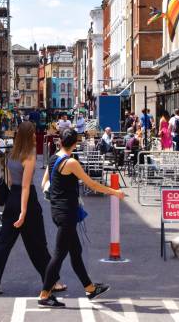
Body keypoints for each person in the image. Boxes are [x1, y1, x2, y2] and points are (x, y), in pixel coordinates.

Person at [38, 129, 125, 307]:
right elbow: (91, 184)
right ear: (75, 144)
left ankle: (90, 289)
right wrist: (114, 192)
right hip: (67, 213)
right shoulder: (71, 163)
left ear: (61, 141)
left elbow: (43, 183)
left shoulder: (54, 158)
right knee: (59, 254)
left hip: (57, 211)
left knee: (75, 252)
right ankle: (44, 294)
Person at [0, 122, 66, 295]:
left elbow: (12, 181)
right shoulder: (29, 155)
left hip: (13, 199)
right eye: (33, 133)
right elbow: (26, 187)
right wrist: (24, 212)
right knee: (38, 244)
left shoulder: (12, 154)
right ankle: (52, 281)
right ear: (29, 135)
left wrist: (15, 206)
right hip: (27, 203)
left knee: (3, 244)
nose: (36, 136)